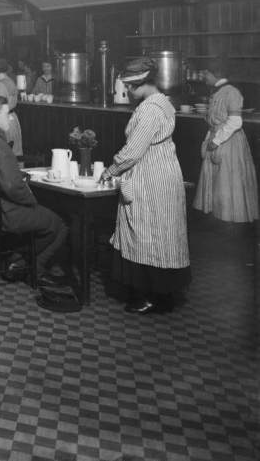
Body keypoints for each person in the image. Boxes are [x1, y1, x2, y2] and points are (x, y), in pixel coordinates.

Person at [100, 59, 191, 314]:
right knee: (160, 236)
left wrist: (110, 171)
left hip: (151, 177)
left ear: (143, 84)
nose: (128, 92)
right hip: (162, 173)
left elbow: (133, 151)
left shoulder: (150, 109)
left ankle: (152, 297)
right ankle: (161, 294)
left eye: (130, 87)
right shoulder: (162, 102)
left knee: (148, 235)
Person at [0, 96, 68, 286]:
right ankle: (29, 267)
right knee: (59, 224)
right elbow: (13, 187)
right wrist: (32, 201)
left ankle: (16, 262)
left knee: (41, 217)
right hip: (4, 215)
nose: (10, 118)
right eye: (7, 114)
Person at [192, 59, 258, 222]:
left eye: (206, 73)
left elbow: (236, 122)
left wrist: (217, 140)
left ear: (216, 73)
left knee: (227, 180)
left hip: (229, 141)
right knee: (218, 181)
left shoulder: (231, 92)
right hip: (218, 137)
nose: (203, 76)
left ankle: (230, 219)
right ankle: (219, 217)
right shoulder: (217, 91)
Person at [0, 58, 23, 158]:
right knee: (15, 151)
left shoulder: (0, 84)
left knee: (4, 153)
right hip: (12, 118)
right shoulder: (10, 81)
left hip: (3, 118)